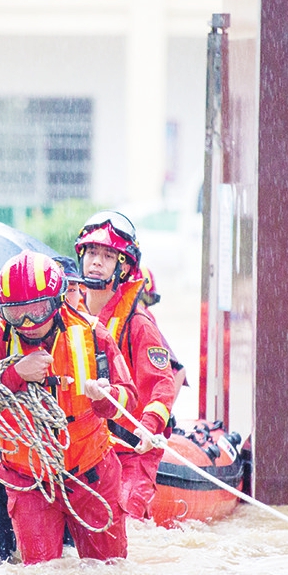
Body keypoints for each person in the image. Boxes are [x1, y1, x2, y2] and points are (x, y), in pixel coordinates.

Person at [0, 252, 136, 564]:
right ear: (4, 311)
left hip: (92, 475)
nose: (29, 324)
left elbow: (128, 400)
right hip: (28, 480)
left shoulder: (92, 335)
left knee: (109, 574)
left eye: (38, 310)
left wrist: (105, 397)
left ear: (57, 301)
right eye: (18, 313)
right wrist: (15, 374)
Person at [76, 211, 184, 521]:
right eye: (92, 252)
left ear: (123, 268)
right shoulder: (70, 317)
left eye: (108, 256)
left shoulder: (138, 323)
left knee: (123, 521)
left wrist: (147, 428)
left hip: (132, 448)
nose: (97, 261)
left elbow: (163, 385)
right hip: (85, 448)